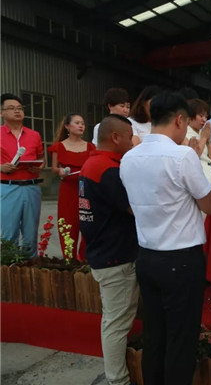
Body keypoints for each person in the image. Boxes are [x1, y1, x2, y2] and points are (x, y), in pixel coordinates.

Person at [120, 91, 211, 385]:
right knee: (181, 338)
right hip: (181, 258)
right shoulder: (182, 155)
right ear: (179, 120)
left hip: (147, 256)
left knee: (154, 334)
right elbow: (209, 204)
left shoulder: (129, 157)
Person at [79, 114, 139, 385]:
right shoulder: (107, 170)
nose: (132, 142)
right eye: (129, 137)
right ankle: (118, 380)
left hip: (104, 252)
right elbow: (134, 207)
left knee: (113, 320)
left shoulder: (93, 163)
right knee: (116, 323)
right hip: (116, 257)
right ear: (115, 137)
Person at [0, 93, 45, 258]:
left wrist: (38, 166)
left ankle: (30, 267)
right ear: (1, 113)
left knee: (30, 233)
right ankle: (8, 267)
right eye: (11, 108)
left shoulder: (34, 135)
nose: (17, 111)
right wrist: (1, 167)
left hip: (31, 187)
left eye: (19, 108)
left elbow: (42, 158)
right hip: (8, 187)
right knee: (8, 233)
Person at [48, 113, 96, 261]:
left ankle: (85, 259)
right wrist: (60, 171)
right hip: (68, 189)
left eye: (83, 123)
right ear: (67, 126)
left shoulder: (90, 147)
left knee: (88, 222)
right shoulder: (59, 146)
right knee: (68, 223)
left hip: (85, 190)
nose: (81, 126)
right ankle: (69, 260)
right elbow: (54, 168)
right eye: (77, 123)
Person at [184, 98, 211, 191]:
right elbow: (193, 156)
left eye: (206, 117)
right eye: (201, 116)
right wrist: (204, 138)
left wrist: (208, 140)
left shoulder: (203, 133)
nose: (204, 120)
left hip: (209, 173)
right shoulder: (185, 132)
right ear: (190, 115)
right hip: (197, 176)